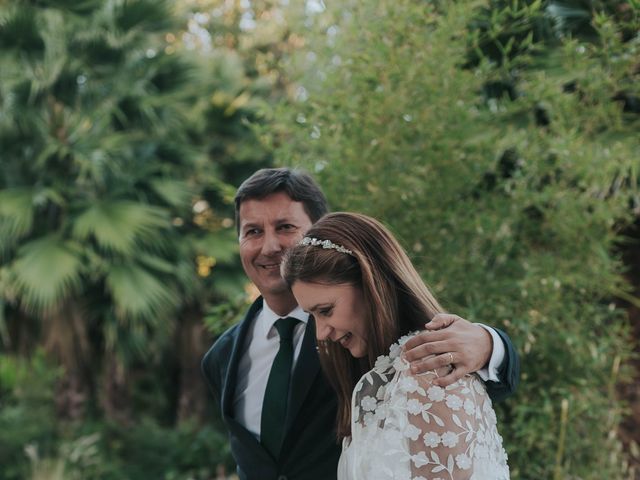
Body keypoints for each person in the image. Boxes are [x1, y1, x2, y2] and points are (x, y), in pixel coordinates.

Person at [201, 168, 519, 480]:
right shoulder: (221, 357)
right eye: (253, 231)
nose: (269, 246)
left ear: (314, 232)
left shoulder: (368, 335)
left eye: (285, 226)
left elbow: (453, 411)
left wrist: (490, 344)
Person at [282, 212, 510, 479]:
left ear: (371, 285)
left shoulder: (429, 377)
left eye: (326, 310)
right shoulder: (375, 380)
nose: (321, 333)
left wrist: (489, 343)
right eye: (313, 316)